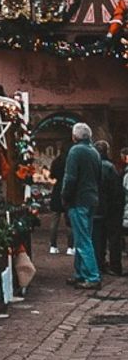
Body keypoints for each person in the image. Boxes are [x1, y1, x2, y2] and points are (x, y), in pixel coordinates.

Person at [61, 122, 102, 290]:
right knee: (83, 237)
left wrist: (65, 196)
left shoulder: (75, 151)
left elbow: (70, 177)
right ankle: (80, 273)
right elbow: (99, 177)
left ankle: (92, 276)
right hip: (91, 198)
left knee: (83, 239)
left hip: (78, 200)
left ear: (75, 136)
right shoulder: (95, 152)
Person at [92, 141, 124, 276]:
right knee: (113, 238)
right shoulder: (111, 167)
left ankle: (100, 264)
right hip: (112, 208)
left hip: (98, 207)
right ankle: (115, 265)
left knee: (98, 238)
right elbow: (116, 190)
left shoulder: (94, 167)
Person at [47, 146, 74, 255]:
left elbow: (52, 175)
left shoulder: (56, 161)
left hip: (57, 190)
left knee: (54, 220)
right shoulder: (71, 162)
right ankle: (70, 247)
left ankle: (53, 245)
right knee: (69, 222)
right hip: (68, 191)